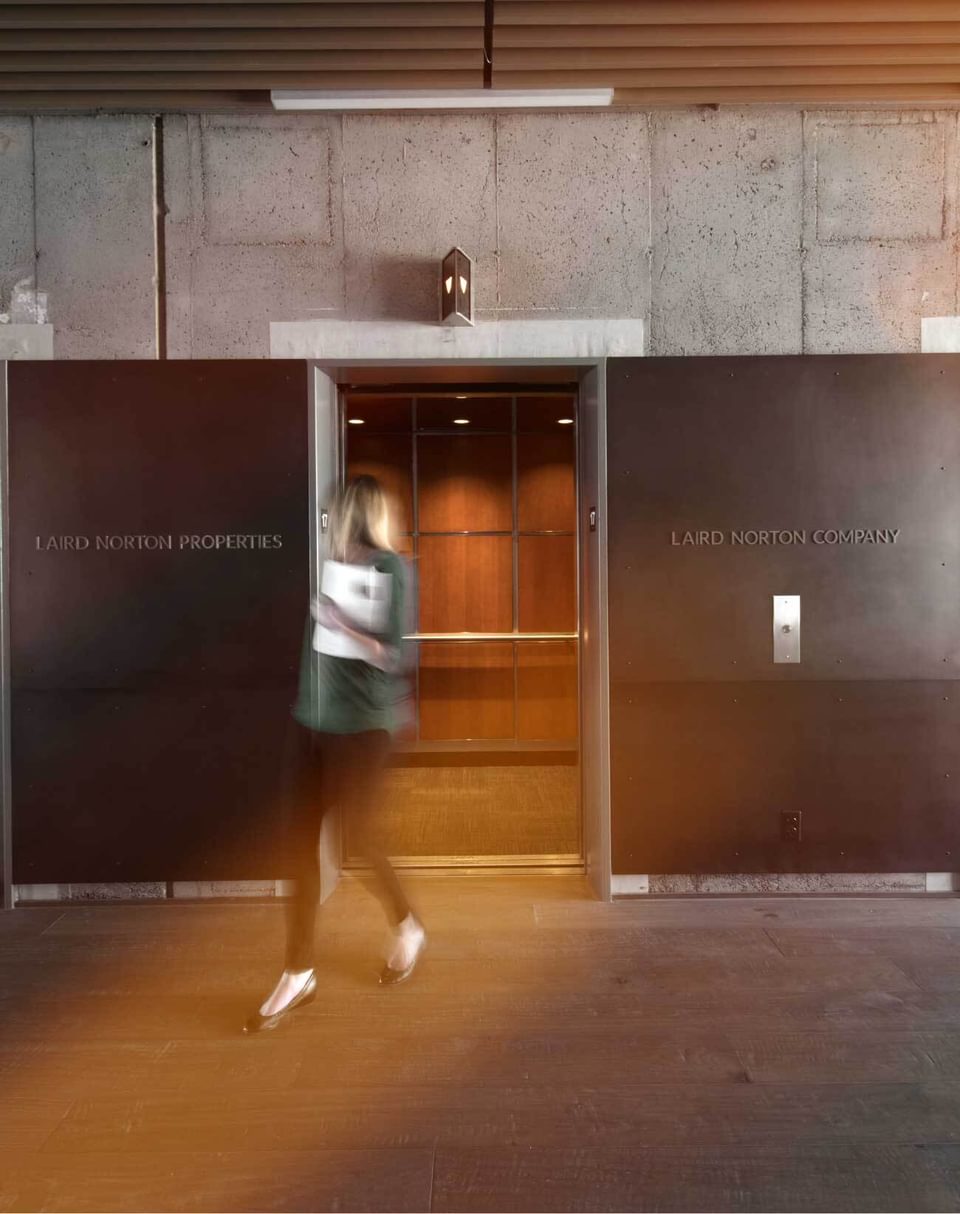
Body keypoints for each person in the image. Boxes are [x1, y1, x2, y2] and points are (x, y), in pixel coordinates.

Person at [244, 475, 424, 1034]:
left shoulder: (390, 568)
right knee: (297, 846)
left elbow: (393, 656)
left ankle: (407, 924)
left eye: (335, 513)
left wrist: (341, 622)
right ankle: (298, 971)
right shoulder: (331, 569)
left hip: (363, 730)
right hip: (312, 726)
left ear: (355, 513)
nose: (329, 522)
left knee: (360, 837)